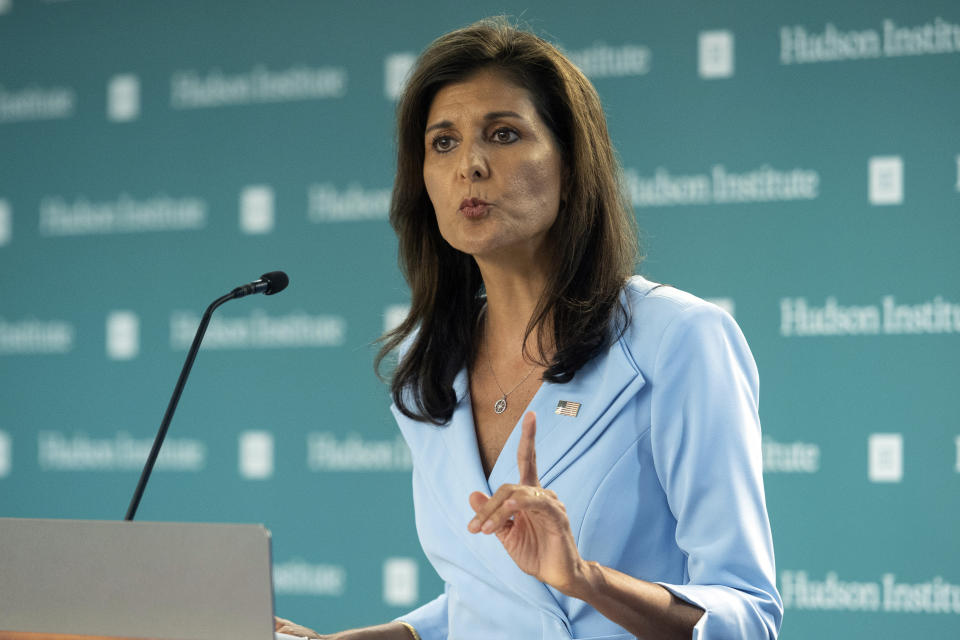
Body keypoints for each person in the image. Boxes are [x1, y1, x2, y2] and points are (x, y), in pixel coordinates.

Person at [277, 17, 782, 640]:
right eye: (443, 142)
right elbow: (494, 601)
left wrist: (583, 578)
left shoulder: (680, 340)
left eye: (504, 134)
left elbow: (748, 616)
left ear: (571, 166)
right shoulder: (428, 365)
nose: (471, 165)